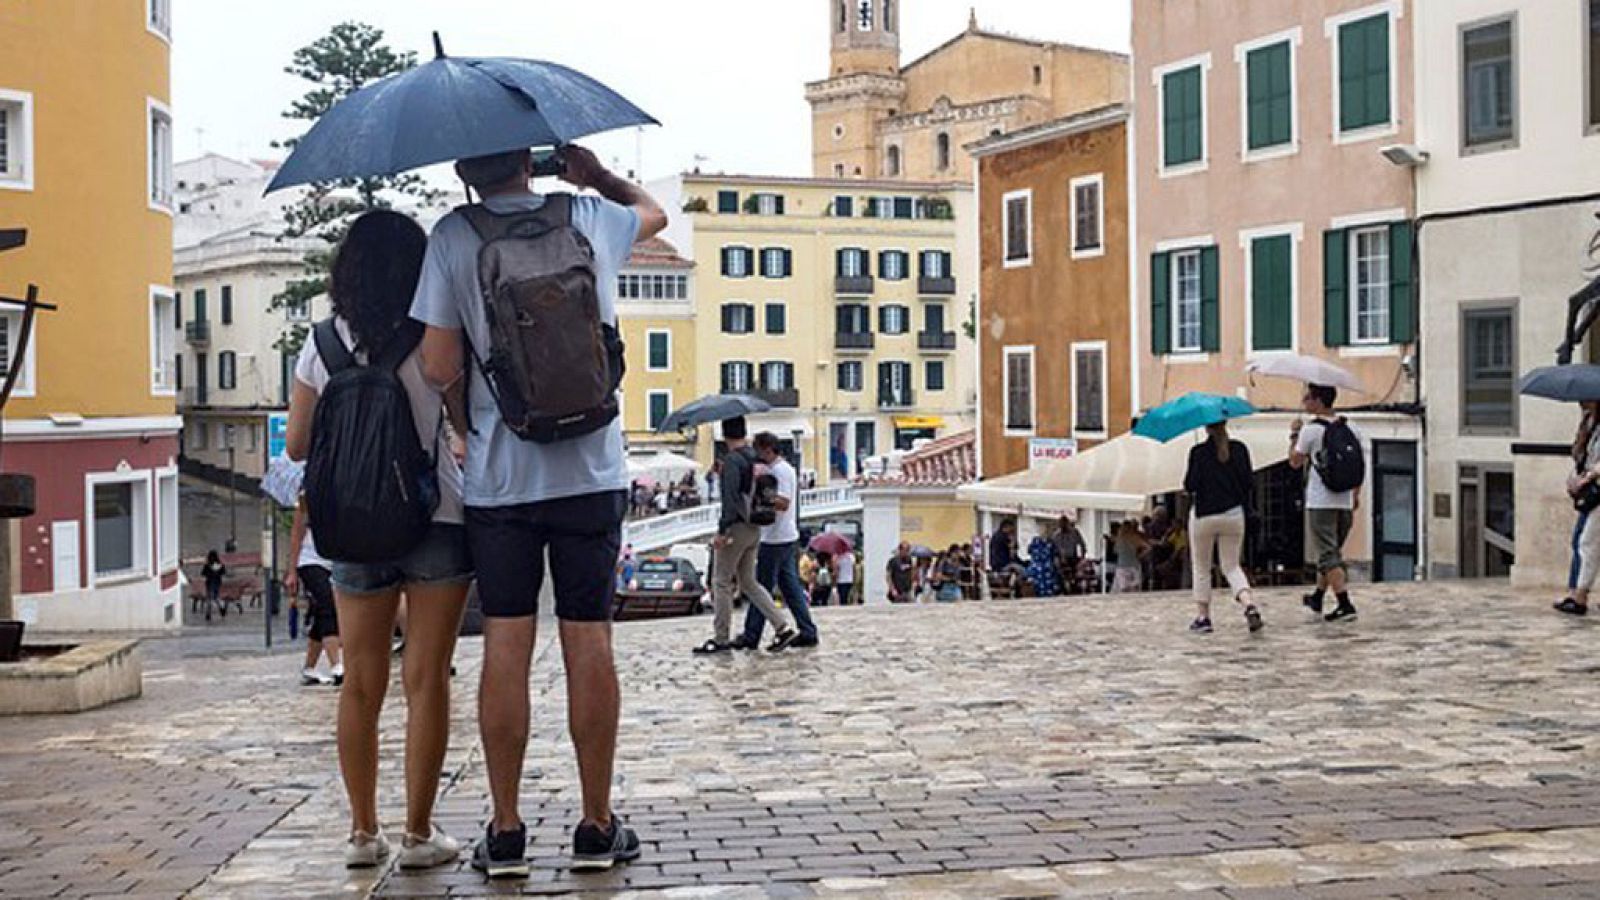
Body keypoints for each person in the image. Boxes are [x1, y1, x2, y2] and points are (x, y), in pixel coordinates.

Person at [413, 145, 666, 876]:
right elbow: (655, 212)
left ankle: (506, 830)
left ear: (464, 169)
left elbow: (436, 363)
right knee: (590, 640)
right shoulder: (590, 216)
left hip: (501, 481)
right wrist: (592, 175)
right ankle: (594, 825)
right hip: (591, 471)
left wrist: (469, 425)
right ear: (532, 157)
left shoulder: (454, 235)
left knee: (507, 645)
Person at [286, 209, 474, 871]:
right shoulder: (433, 334)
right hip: (436, 517)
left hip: (352, 525)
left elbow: (298, 444)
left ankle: (364, 833)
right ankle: (420, 833)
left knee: (360, 683)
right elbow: (462, 423)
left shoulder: (321, 344)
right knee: (427, 680)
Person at [694, 417, 799, 655]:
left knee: (721, 581)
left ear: (724, 434)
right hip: (756, 526)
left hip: (737, 527)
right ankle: (782, 626)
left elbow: (730, 500)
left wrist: (722, 531)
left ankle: (721, 638)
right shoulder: (756, 457)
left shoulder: (732, 460)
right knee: (749, 582)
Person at [739, 432, 819, 649]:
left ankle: (751, 634)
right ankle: (808, 630)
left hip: (775, 538)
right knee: (790, 588)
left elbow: (783, 503)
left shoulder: (780, 472)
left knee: (761, 588)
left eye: (758, 450)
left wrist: (761, 499)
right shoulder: (784, 470)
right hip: (786, 537)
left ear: (767, 449)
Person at [1290, 384, 1360, 623]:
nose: (1304, 401)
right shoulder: (1351, 428)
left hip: (1321, 501)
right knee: (1330, 555)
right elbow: (1359, 466)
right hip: (1345, 501)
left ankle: (1344, 604)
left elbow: (1295, 462)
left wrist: (1294, 435)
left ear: (1318, 401)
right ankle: (1318, 596)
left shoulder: (1310, 431)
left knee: (1329, 556)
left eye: (1307, 398)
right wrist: (1355, 495)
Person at [1184, 421, 1262, 634]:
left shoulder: (1198, 452)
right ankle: (1248, 604)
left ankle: (1203, 617)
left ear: (1206, 428)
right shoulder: (1239, 449)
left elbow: (1189, 485)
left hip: (1204, 515)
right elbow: (1249, 483)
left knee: (1201, 567)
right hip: (1234, 514)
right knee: (1232, 566)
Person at [285, 502, 343, 686]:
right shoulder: (306, 500)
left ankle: (309, 667)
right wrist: (292, 571)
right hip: (310, 562)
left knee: (320, 614)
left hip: (335, 563)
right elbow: (296, 535)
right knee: (327, 606)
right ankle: (336, 664)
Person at [1557, 402, 1600, 614]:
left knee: (1586, 543)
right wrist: (1581, 434)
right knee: (1581, 541)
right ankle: (1576, 592)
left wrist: (1589, 476)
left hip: (1596, 491)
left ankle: (1580, 595)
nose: (1582, 403)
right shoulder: (1590, 425)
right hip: (1591, 491)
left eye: (1587, 399)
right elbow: (1580, 456)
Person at [987, 520, 1027, 592]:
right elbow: (1011, 551)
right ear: (1006, 527)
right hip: (1003, 564)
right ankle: (1016, 586)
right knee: (1022, 571)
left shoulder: (995, 536)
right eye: (1011, 529)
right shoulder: (1003, 537)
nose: (1012, 531)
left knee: (1018, 568)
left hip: (996, 565)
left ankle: (1014, 584)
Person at [1052, 516, 1086, 592]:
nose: (1062, 526)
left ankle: (1075, 587)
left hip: (1073, 558)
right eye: (1061, 524)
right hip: (1061, 560)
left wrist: (1081, 558)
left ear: (1067, 523)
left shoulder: (1074, 532)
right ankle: (1063, 588)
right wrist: (1058, 558)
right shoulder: (1056, 535)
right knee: (1059, 573)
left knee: (1077, 575)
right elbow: (1053, 550)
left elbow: (1081, 545)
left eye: (1064, 524)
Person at [1111, 521, 1147, 593]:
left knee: (1123, 590)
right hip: (1134, 565)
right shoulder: (1135, 538)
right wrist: (1140, 556)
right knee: (1134, 589)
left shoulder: (1119, 539)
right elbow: (1148, 547)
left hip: (1122, 566)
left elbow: (1115, 551)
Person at [201, 550, 226, 621]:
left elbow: (203, 573)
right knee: (216, 597)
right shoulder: (221, 565)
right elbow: (223, 573)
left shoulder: (207, 565)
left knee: (209, 598)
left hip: (209, 583)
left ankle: (208, 613)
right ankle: (221, 607)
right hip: (217, 583)